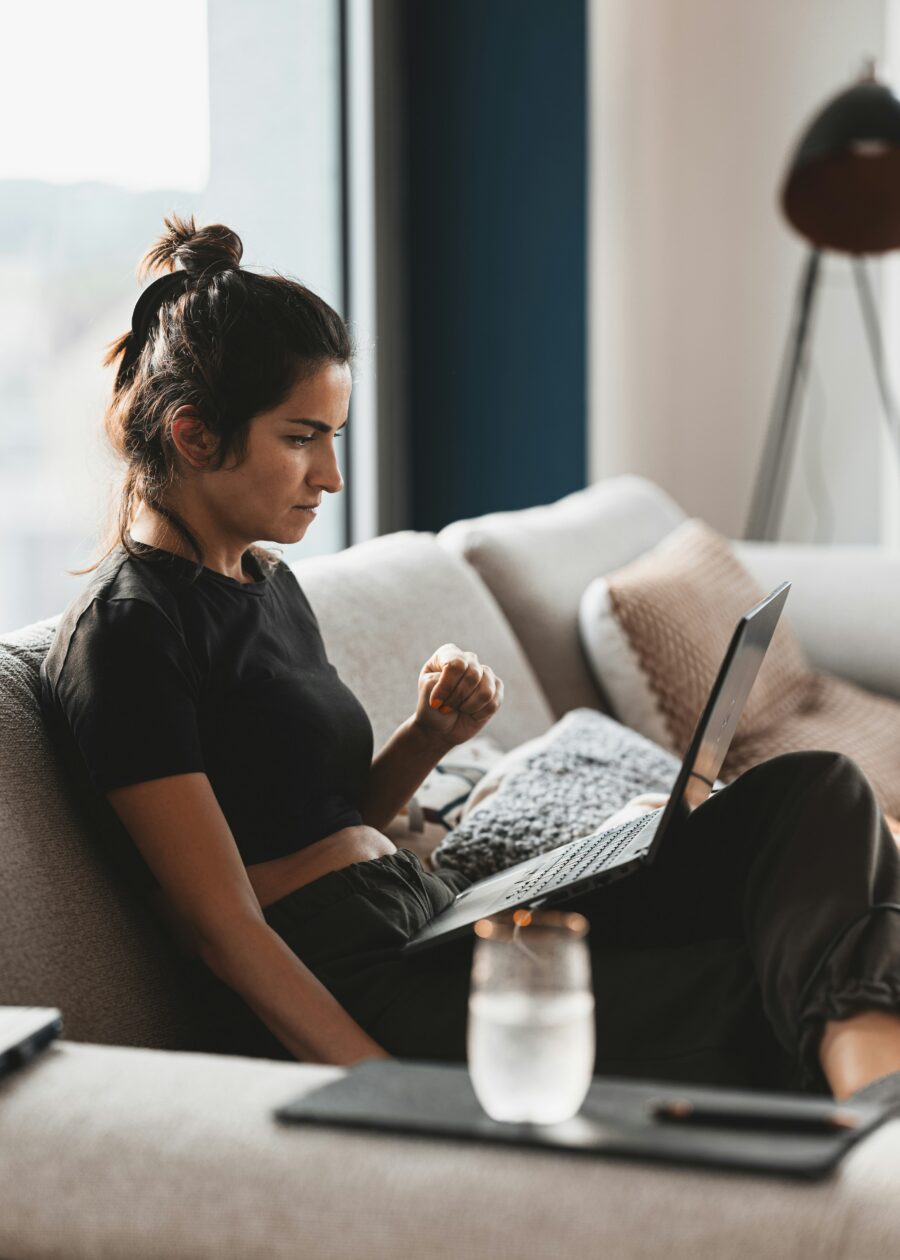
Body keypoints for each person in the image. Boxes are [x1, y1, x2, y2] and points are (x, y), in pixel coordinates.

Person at [40, 215, 900, 1107]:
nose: (330, 475)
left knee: (819, 792)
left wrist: (427, 736)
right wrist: (381, 1085)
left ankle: (866, 1092)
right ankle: (873, 1113)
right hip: (359, 977)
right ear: (191, 434)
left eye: (334, 436)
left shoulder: (265, 582)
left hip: (436, 910)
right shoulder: (129, 634)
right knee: (759, 980)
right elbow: (221, 928)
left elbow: (321, 818)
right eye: (303, 437)